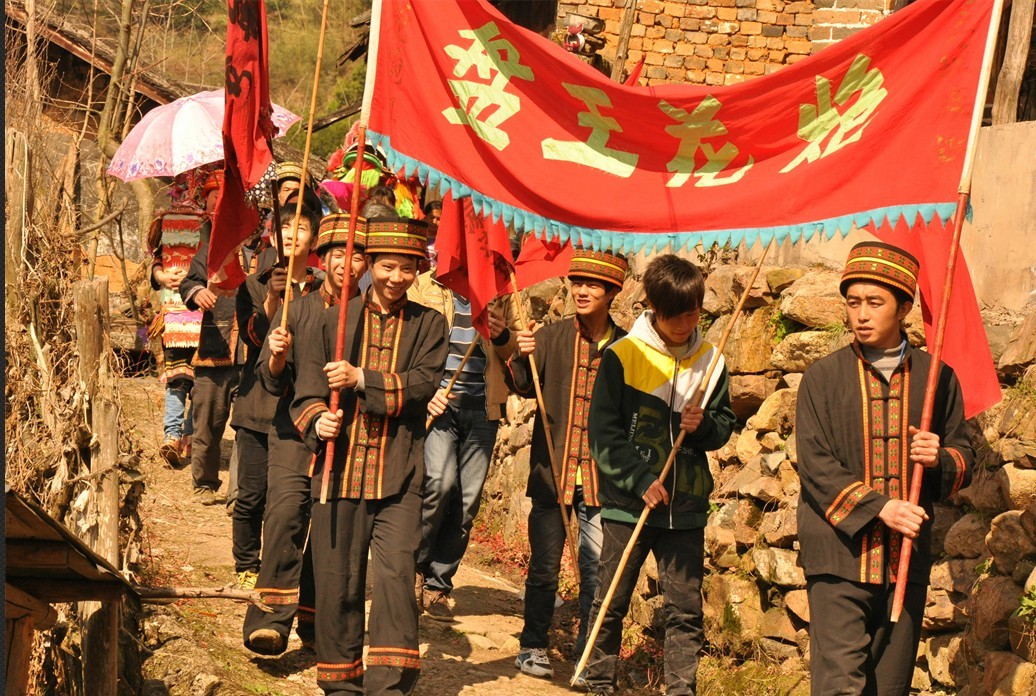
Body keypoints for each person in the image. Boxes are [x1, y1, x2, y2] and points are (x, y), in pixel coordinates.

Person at [796, 241, 973, 695]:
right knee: (840, 686)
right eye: (853, 302)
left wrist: (939, 459)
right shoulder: (822, 378)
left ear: (905, 308)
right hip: (838, 559)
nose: (861, 314)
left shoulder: (938, 379)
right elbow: (816, 466)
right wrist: (880, 508)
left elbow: (963, 458)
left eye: (875, 302)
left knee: (888, 687)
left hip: (905, 563)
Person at [291, 217, 447, 695]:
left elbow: (421, 386)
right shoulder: (331, 320)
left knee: (398, 577)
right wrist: (319, 420)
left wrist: (363, 380)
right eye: (387, 266)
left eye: (407, 267)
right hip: (338, 470)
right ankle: (340, 683)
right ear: (370, 266)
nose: (397, 277)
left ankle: (390, 684)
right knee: (338, 580)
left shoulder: (430, 324)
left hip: (400, 471)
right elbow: (304, 394)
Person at [583, 254, 736, 695]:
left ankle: (681, 689)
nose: (687, 322)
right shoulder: (622, 356)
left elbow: (724, 424)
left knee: (685, 609)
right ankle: (597, 682)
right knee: (610, 600)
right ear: (652, 306)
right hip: (628, 506)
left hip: (685, 507)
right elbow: (604, 434)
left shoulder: (712, 358)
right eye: (676, 314)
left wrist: (703, 426)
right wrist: (639, 479)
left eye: (694, 312)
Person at [242, 212, 369, 655]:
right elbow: (271, 381)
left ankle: (315, 622)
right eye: (338, 254)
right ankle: (270, 619)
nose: (346, 264)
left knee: (331, 524)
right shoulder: (300, 306)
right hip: (293, 430)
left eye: (356, 257)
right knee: (284, 514)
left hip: (346, 432)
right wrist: (276, 355)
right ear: (325, 257)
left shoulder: (372, 317)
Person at [507, 247, 629, 679]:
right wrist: (521, 354)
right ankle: (532, 646)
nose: (581, 290)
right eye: (576, 282)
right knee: (543, 568)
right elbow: (524, 387)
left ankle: (588, 658)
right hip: (552, 473)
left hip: (603, 479)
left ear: (613, 290)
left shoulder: (628, 347)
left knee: (596, 572)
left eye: (593, 284)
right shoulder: (552, 337)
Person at [410, 254, 518, 620]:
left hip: (483, 407)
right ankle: (415, 567)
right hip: (438, 406)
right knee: (438, 483)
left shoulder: (503, 291)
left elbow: (517, 355)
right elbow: (408, 343)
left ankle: (440, 583)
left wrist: (502, 334)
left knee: (467, 500)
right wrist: (425, 393)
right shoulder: (424, 286)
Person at [230, 202, 323, 591]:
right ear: (273, 234)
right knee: (251, 495)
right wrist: (272, 298)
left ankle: (277, 570)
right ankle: (246, 565)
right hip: (257, 405)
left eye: (301, 228)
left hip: (299, 408)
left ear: (314, 239)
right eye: (285, 226)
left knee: (287, 500)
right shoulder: (254, 284)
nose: (292, 234)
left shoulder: (324, 287)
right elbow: (254, 338)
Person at [179, 170, 275, 504]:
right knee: (206, 422)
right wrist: (196, 292)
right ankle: (204, 482)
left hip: (254, 355)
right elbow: (187, 283)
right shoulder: (212, 250)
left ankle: (240, 493)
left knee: (248, 429)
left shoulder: (271, 257)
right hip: (214, 349)